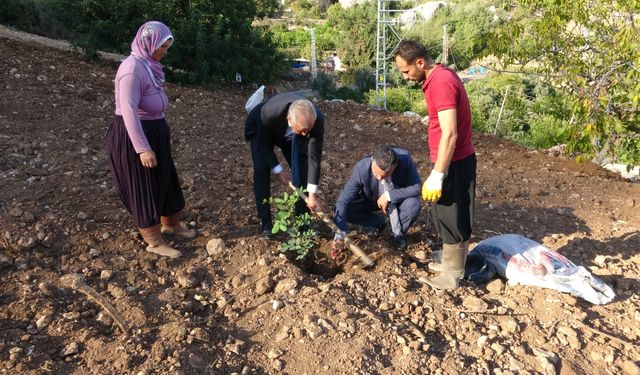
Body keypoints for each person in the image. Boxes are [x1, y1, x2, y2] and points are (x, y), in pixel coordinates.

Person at [106, 21, 195, 259]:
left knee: (165, 178)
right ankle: (154, 241)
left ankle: (171, 224)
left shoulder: (148, 65)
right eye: (162, 47)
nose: (164, 51)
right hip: (135, 134)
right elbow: (128, 111)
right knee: (143, 185)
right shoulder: (132, 69)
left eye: (167, 46)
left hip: (154, 130)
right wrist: (143, 148)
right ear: (149, 43)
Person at [394, 40, 477, 290]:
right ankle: (450, 263)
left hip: (454, 161)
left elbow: (450, 133)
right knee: (443, 212)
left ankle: (451, 276)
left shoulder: (440, 83)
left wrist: (439, 173)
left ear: (419, 62)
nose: (406, 77)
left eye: (406, 71)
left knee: (453, 214)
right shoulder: (439, 77)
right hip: (450, 159)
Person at [244, 92, 324, 238]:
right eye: (303, 131)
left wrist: (312, 193)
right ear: (289, 121)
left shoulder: (315, 120)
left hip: (290, 133)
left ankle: (303, 223)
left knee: (302, 170)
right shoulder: (268, 114)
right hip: (261, 129)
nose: (306, 135)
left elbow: (313, 157)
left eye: (308, 131)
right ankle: (266, 223)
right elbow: (264, 145)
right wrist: (278, 169)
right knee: (262, 169)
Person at [332, 147, 421, 252]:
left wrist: (388, 196)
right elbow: (343, 201)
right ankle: (379, 224)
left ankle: (396, 234)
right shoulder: (361, 169)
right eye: (376, 174)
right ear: (372, 161)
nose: (379, 178)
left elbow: (417, 188)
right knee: (345, 209)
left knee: (413, 205)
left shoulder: (405, 161)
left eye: (385, 175)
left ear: (395, 166)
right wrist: (339, 234)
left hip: (397, 200)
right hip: (372, 200)